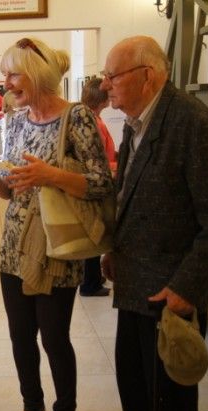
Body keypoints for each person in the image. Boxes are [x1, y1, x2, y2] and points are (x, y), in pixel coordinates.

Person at [98, 36, 208, 411]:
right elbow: (131, 194)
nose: (104, 85)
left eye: (112, 76)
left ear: (148, 76)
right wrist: (113, 249)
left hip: (170, 294)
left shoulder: (192, 124)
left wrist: (186, 288)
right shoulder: (136, 122)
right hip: (134, 285)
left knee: (171, 406)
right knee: (134, 383)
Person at [0, 37, 113, 411]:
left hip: (56, 247)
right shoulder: (16, 120)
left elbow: (101, 183)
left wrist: (50, 175)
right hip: (14, 245)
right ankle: (31, 407)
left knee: (54, 337)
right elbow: (12, 191)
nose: (7, 83)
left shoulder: (78, 117)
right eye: (5, 75)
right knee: (21, 336)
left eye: (13, 74)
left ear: (36, 75)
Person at [78, 77, 118, 298]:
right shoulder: (93, 122)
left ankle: (92, 278)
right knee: (95, 233)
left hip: (98, 179)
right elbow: (97, 159)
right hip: (99, 183)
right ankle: (90, 282)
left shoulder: (91, 119)